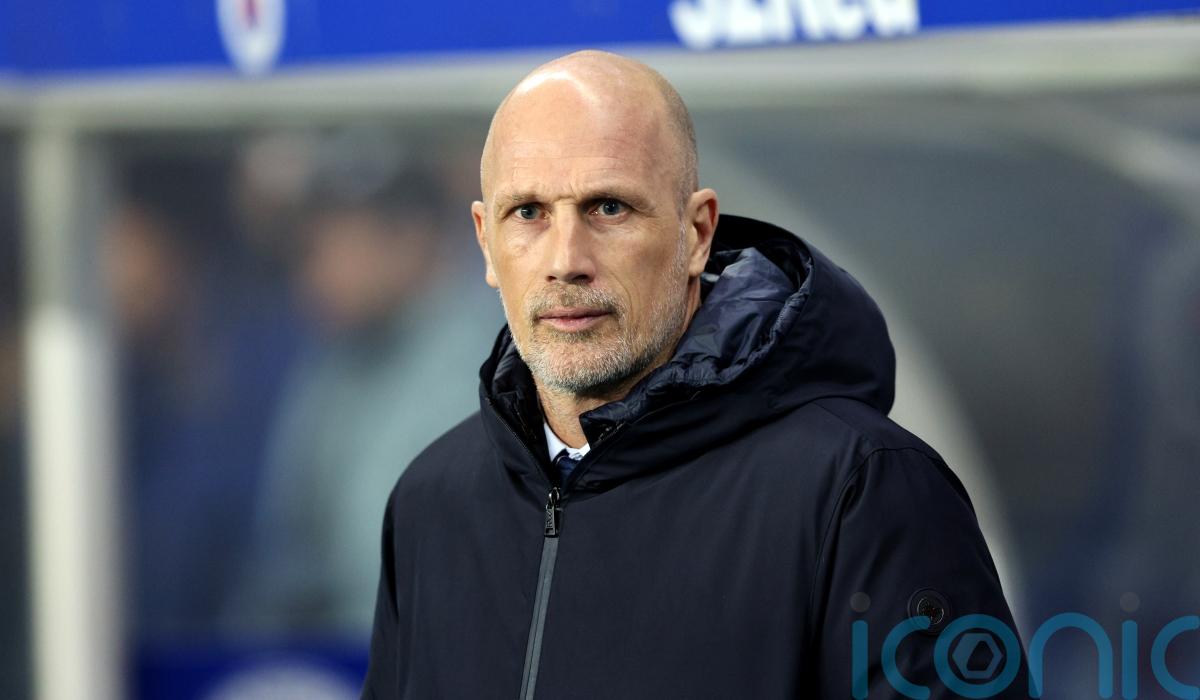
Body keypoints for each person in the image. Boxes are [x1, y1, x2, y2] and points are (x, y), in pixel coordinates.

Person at [362, 50, 1027, 699]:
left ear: (698, 233)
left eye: (608, 208)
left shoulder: (862, 487)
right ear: (486, 240)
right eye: (528, 213)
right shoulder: (430, 502)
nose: (566, 260)